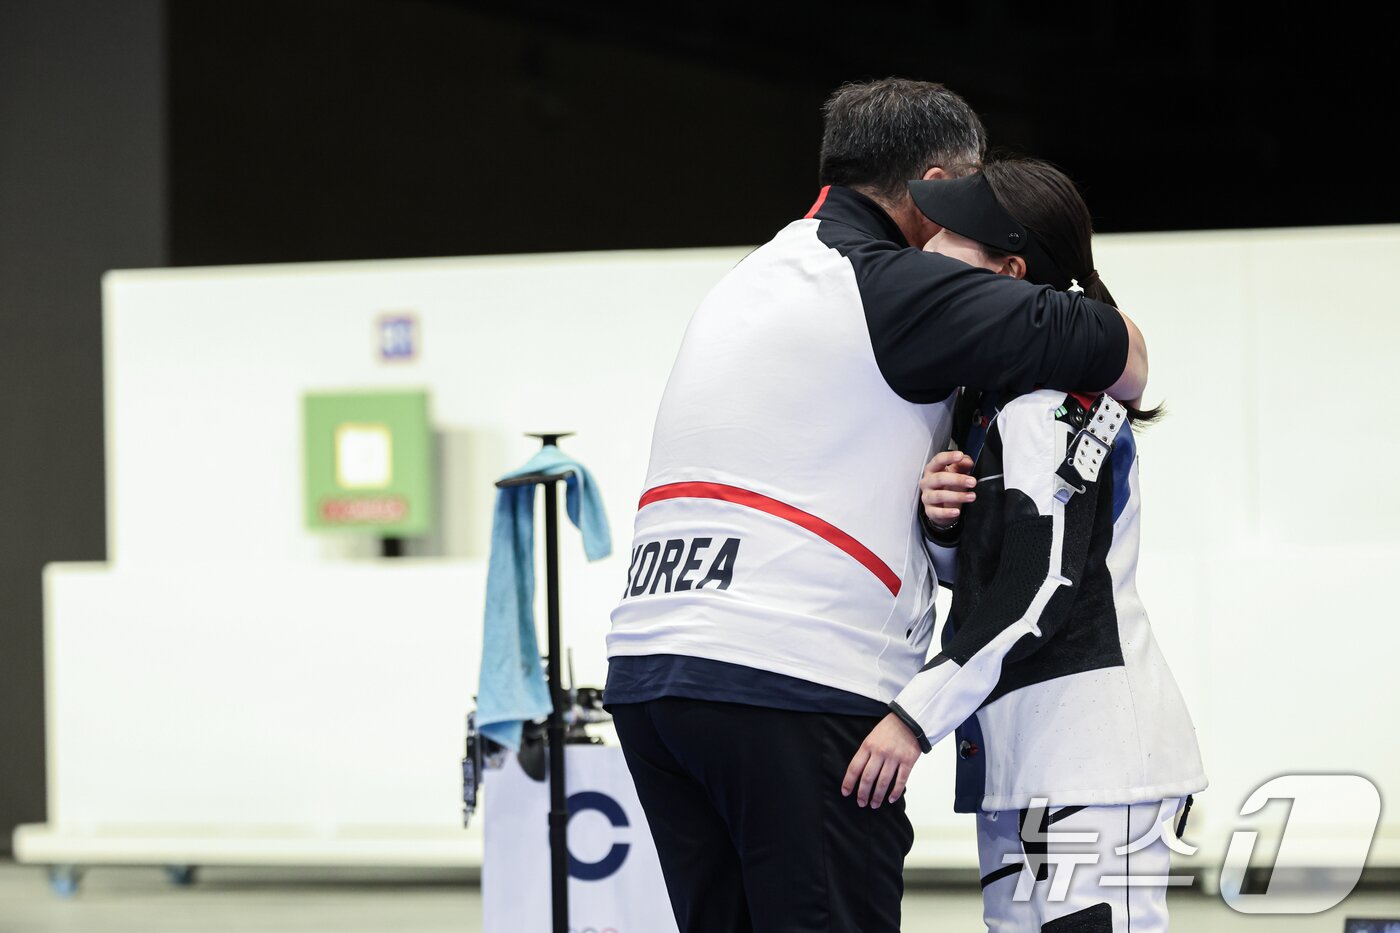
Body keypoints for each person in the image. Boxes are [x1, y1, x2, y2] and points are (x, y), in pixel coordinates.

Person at [604, 78, 1151, 933]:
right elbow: (1121, 350)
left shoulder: (754, 274)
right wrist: (916, 714)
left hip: (649, 675)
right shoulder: (889, 282)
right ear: (934, 183)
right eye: (964, 198)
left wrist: (940, 520)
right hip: (788, 681)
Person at [847, 157, 1207, 932]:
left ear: (1009, 270)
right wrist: (945, 526)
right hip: (1023, 752)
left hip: (1090, 755)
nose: (928, 246)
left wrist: (914, 717)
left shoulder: (1048, 400)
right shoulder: (994, 398)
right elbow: (984, 579)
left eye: (950, 235)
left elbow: (1039, 588)